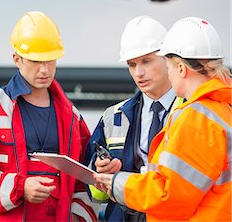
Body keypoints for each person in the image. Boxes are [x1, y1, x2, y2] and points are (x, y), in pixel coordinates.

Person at [0, 11, 96, 221]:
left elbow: (84, 177)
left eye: (50, 61)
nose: (44, 70)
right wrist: (20, 187)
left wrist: (78, 218)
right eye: (36, 61)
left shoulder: (72, 118)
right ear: (17, 59)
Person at [94, 17, 231, 221]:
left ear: (181, 69)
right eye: (132, 65)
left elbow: (169, 195)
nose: (139, 73)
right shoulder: (222, 110)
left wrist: (117, 183)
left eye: (167, 66)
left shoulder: (196, 118)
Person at [83, 16, 184, 222]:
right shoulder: (113, 117)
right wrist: (100, 171)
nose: (139, 73)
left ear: (168, 58)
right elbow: (95, 194)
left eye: (146, 61)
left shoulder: (194, 113)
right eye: (132, 64)